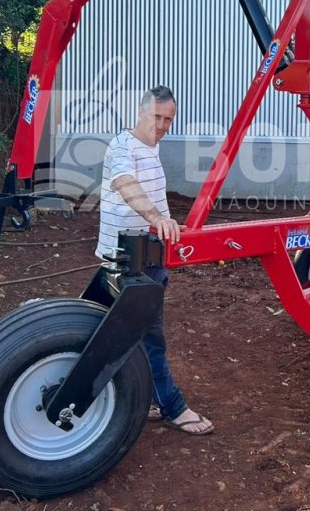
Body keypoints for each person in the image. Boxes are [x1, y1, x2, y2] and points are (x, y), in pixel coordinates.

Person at [96, 85, 214, 436]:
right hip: (128, 260)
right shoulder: (122, 146)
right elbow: (125, 182)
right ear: (140, 112)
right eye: (156, 117)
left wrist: (166, 223)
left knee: (130, 335)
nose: (162, 125)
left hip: (150, 254)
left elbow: (149, 190)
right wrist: (155, 217)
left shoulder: (152, 146)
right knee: (150, 337)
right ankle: (173, 407)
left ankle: (141, 394)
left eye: (168, 119)